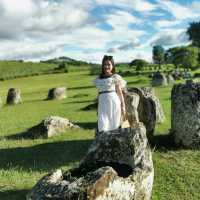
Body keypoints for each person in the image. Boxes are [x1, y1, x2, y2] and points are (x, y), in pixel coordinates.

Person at [93, 55, 127, 132]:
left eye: (109, 64)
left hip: (114, 102)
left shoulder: (115, 77)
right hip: (102, 103)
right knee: (103, 125)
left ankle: (114, 142)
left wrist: (123, 105)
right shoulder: (99, 78)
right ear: (102, 65)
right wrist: (98, 104)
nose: (107, 66)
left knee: (114, 124)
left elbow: (119, 92)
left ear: (112, 66)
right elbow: (99, 92)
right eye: (105, 64)